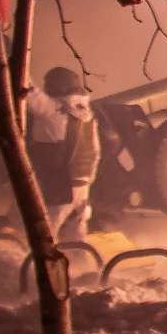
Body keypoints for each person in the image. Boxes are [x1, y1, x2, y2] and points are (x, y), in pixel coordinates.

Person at [21, 67, 101, 245]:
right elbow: (96, 154)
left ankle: (40, 272)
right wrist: (86, 181)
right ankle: (88, 271)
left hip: (60, 186)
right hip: (83, 188)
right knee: (77, 242)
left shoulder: (52, 111)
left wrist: (9, 52)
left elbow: (26, 88)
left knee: (43, 240)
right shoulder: (88, 116)